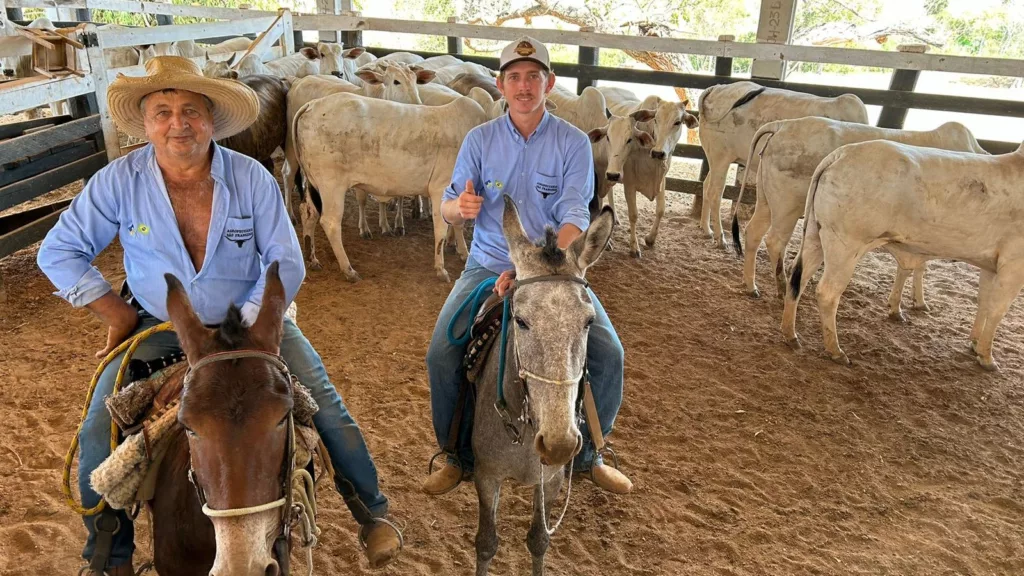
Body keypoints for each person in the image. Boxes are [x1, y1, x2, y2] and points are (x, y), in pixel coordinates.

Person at [36, 56, 402, 575]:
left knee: (326, 405)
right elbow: (57, 251)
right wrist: (114, 310)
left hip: (251, 323)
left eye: (190, 110)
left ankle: (372, 514)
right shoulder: (118, 181)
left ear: (211, 121)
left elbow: (284, 260)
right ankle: (107, 552)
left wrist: (255, 326)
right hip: (159, 327)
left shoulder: (250, 177)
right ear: (145, 122)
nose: (177, 123)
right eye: (162, 111)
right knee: (99, 422)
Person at [422, 36, 634, 496]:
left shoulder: (573, 142)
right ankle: (455, 455)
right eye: (514, 77)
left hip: (557, 269)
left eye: (533, 77)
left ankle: (591, 454)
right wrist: (461, 207)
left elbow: (576, 213)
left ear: (549, 83)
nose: (523, 86)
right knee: (441, 353)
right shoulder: (479, 140)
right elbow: (447, 207)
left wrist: (536, 270)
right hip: (487, 264)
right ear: (500, 84)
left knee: (609, 354)